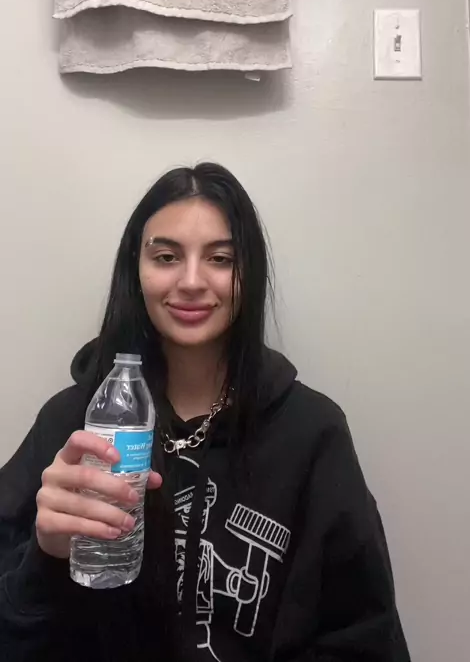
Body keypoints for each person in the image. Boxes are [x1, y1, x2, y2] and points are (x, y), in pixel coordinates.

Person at [0, 163, 410, 662]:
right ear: (136, 269)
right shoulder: (75, 425)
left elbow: (365, 636)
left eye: (220, 258)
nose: (191, 281)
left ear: (249, 274)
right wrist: (45, 557)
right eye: (166, 257)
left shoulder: (312, 432)